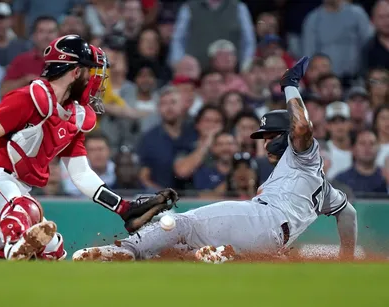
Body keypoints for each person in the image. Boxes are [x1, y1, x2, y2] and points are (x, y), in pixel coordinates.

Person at [73, 57, 357, 262]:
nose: (267, 143)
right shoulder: (322, 187)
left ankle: (124, 250)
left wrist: (290, 85)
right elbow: (348, 214)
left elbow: (303, 128)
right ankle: (218, 256)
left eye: (271, 136)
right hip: (270, 241)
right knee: (181, 251)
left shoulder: (303, 157)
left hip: (263, 220)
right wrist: (347, 257)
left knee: (182, 225)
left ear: (287, 135)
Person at [0, 35, 178, 261]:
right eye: (92, 72)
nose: (97, 80)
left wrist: (122, 207)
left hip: (16, 191)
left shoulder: (74, 116)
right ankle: (14, 246)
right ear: (76, 72)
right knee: (28, 210)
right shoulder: (28, 97)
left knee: (53, 250)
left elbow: (81, 173)